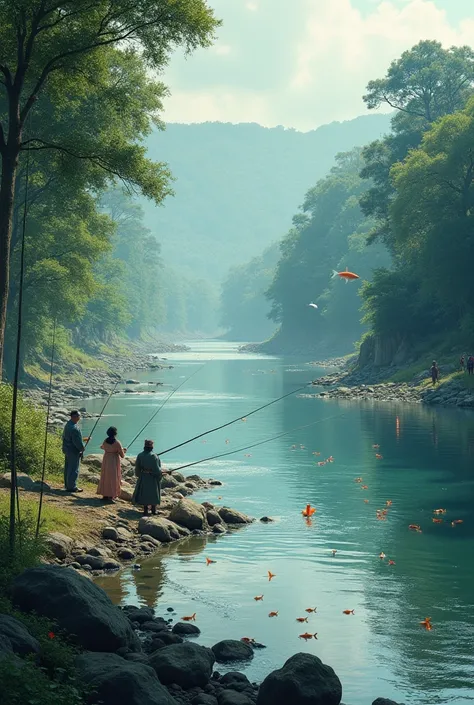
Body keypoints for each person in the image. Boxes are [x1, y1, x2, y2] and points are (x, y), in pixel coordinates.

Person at [132, 439, 162, 516]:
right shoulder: (154, 456)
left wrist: (139, 475)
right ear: (152, 447)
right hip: (152, 477)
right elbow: (157, 469)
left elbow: (137, 468)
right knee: (153, 493)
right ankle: (153, 510)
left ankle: (145, 510)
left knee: (144, 492)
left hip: (143, 476)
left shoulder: (140, 455)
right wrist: (159, 475)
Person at [97, 426, 126, 502]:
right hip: (114, 461)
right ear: (115, 434)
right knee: (113, 478)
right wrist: (123, 450)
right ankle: (111, 495)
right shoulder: (117, 443)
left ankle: (105, 495)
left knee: (105, 476)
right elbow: (122, 455)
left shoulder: (105, 441)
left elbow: (103, 447)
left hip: (106, 459)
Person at [62, 410, 87, 493]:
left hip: (67, 449)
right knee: (73, 468)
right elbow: (76, 442)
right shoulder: (74, 428)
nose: (79, 417)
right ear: (74, 417)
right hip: (73, 451)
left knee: (68, 467)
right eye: (78, 416)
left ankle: (67, 485)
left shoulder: (68, 425)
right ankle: (72, 486)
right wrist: (82, 448)